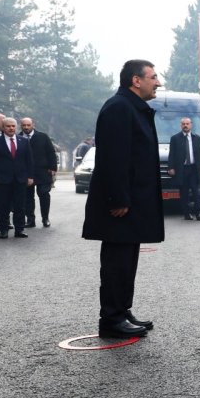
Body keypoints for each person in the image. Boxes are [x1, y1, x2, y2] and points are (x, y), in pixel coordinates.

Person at [82, 60, 165, 339]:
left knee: (127, 259)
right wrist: (118, 198)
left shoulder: (131, 107)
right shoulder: (119, 108)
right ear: (135, 80)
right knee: (117, 261)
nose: (158, 82)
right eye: (153, 77)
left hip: (133, 201)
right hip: (121, 203)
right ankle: (111, 318)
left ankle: (122, 310)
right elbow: (113, 158)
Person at [0, 117, 34, 239]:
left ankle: (19, 229)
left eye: (13, 126)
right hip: (2, 180)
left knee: (20, 206)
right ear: (3, 128)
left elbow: (29, 161)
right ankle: (4, 229)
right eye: (8, 126)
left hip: (20, 179)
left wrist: (30, 176)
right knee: (3, 206)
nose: (11, 128)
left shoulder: (23, 141)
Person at [20, 117, 58, 228]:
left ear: (33, 125)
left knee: (44, 194)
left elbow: (51, 152)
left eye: (28, 125)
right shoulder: (18, 137)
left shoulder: (43, 136)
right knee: (27, 197)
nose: (26, 127)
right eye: (24, 125)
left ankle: (45, 218)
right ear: (21, 125)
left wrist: (53, 167)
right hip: (25, 172)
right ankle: (30, 220)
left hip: (42, 171)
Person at [167, 117, 200, 221]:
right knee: (183, 193)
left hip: (194, 169)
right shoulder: (175, 138)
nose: (185, 125)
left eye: (187, 123)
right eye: (183, 124)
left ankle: (198, 213)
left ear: (191, 125)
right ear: (181, 125)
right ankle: (187, 213)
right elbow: (172, 154)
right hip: (182, 169)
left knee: (196, 191)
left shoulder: (197, 138)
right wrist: (171, 167)